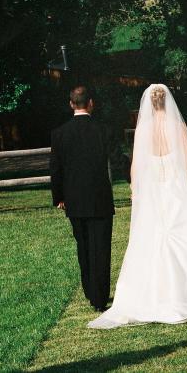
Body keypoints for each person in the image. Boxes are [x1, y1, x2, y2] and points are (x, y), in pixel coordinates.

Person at [88, 84, 187, 328]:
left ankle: (153, 295)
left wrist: (138, 190)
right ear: (167, 101)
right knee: (185, 237)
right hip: (174, 193)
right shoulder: (177, 126)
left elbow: (136, 167)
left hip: (153, 194)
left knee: (151, 239)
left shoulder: (142, 129)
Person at [50, 86, 114, 312]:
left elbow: (55, 169)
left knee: (84, 246)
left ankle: (89, 290)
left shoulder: (59, 134)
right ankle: (100, 296)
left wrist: (59, 196)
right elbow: (115, 160)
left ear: (71, 104)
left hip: (75, 200)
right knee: (101, 248)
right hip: (100, 199)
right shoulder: (103, 130)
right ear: (91, 103)